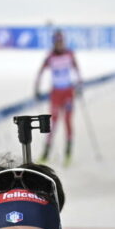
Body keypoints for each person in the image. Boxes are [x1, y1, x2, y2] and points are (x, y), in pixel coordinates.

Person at [33, 31, 82, 166]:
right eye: (58, 42)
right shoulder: (50, 57)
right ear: (54, 42)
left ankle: (68, 154)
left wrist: (79, 85)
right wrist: (36, 88)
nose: (60, 44)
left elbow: (77, 70)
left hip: (68, 93)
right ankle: (45, 154)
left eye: (62, 42)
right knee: (53, 124)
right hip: (56, 93)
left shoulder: (69, 54)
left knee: (67, 121)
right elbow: (40, 72)